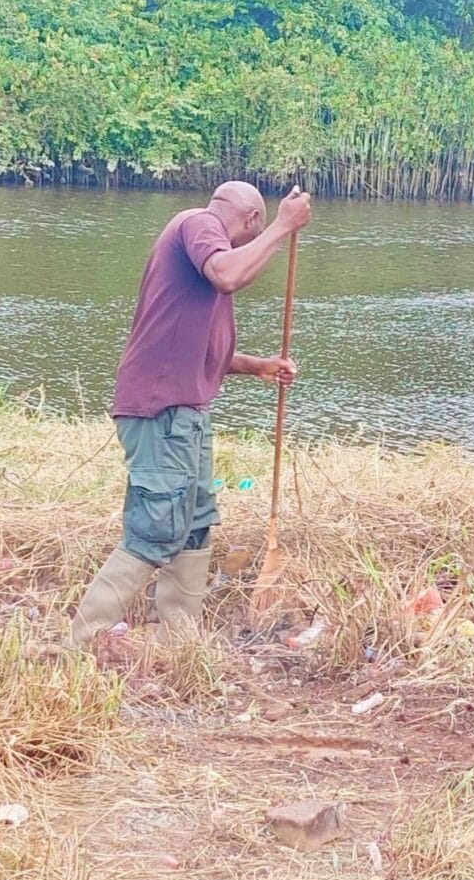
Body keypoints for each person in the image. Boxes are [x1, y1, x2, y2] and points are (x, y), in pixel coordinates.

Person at [67, 182, 312, 647]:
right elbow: (227, 273)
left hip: (187, 413)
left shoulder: (203, 259)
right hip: (161, 411)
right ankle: (84, 637)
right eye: (257, 230)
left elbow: (197, 348)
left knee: (196, 521)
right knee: (157, 525)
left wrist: (258, 366)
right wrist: (285, 226)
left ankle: (177, 635)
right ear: (252, 218)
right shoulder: (198, 224)